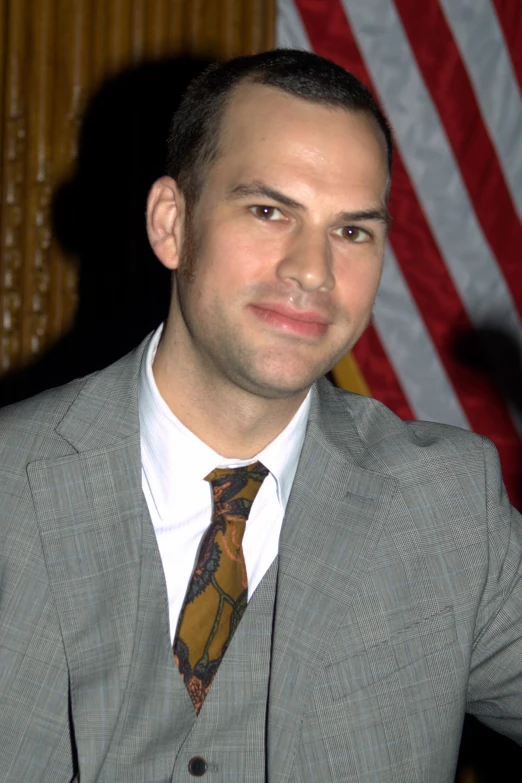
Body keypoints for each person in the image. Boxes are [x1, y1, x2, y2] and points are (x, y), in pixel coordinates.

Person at [0, 49, 521, 783]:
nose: (312, 269)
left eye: (352, 231)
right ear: (171, 223)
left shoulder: (451, 511)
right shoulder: (8, 488)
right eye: (270, 210)